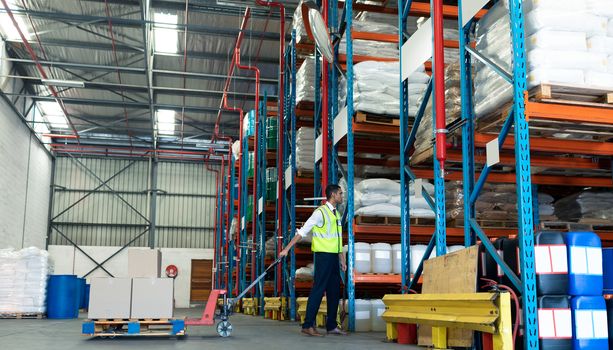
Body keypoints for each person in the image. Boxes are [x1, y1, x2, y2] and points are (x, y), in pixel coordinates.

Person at [279, 184, 348, 337]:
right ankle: (308, 325)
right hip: (323, 256)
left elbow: (338, 239)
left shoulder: (336, 215)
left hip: (333, 259)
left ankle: (331, 326)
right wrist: (286, 249)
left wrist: (342, 258)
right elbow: (302, 233)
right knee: (318, 290)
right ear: (333, 195)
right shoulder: (320, 213)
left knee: (334, 291)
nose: (342, 196)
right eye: (340, 194)